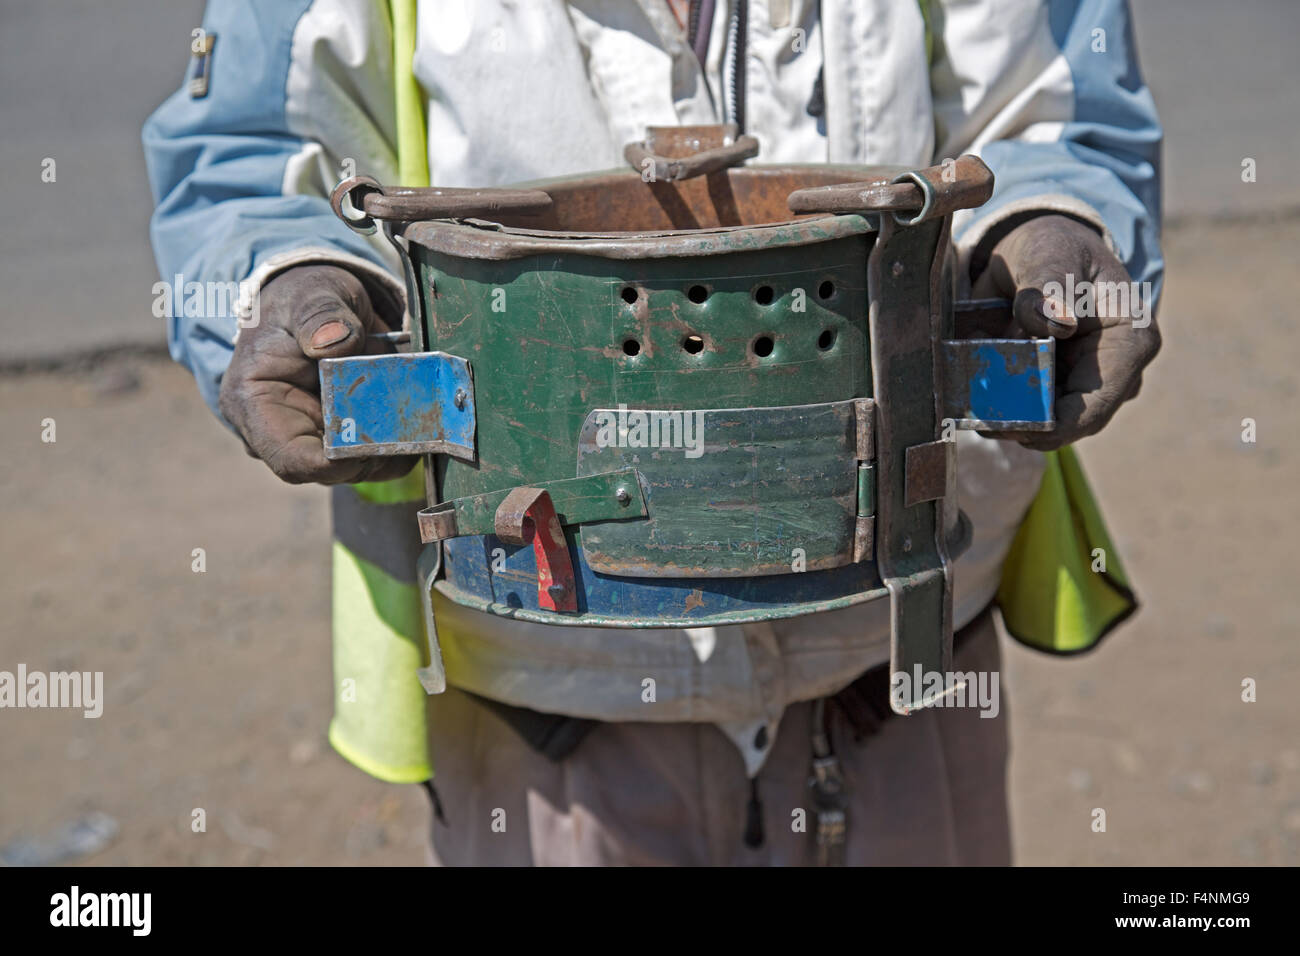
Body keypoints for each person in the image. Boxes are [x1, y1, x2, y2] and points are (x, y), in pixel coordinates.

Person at [144, 0, 1162, 865]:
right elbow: (251, 155)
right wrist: (293, 287)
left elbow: (1062, 112)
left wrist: (1053, 233)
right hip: (547, 710)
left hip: (899, 675)